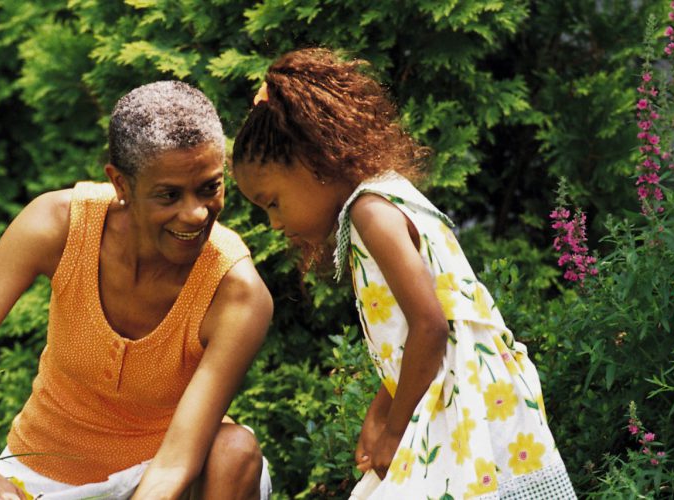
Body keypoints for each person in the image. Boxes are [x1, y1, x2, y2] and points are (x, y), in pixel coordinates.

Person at [231, 48, 576, 499]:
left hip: (462, 400)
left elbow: (430, 325)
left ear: (314, 159)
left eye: (272, 202)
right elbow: (424, 335)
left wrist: (395, 433)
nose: (274, 224)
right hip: (458, 390)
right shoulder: (381, 200)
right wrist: (381, 411)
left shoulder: (370, 213)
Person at [0, 81, 274, 499]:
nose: (195, 213)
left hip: (162, 480)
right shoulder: (59, 225)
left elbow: (176, 464)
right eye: (168, 195)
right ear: (120, 184)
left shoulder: (235, 291)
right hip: (42, 476)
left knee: (235, 450)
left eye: (209, 187)